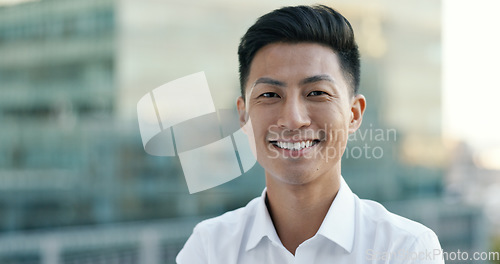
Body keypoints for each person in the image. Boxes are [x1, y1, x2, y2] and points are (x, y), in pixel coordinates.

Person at [176, 5, 443, 263]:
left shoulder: (405, 248)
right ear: (244, 115)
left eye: (317, 93)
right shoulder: (209, 248)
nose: (293, 118)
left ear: (354, 114)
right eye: (270, 94)